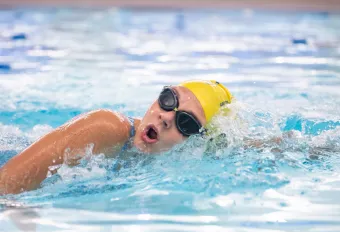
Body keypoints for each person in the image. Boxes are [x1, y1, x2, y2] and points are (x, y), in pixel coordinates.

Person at [0, 80, 233, 195]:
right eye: (168, 99)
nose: (166, 117)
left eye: (186, 122)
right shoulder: (107, 126)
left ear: (198, 140)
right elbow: (6, 184)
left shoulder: (191, 155)